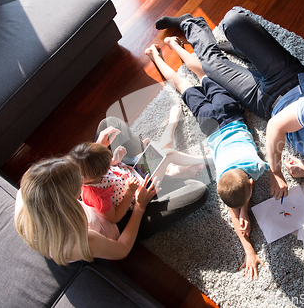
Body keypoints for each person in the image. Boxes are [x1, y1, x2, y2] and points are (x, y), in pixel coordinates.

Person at [155, 9, 304, 199]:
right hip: (287, 79)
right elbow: (276, 127)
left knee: (211, 67)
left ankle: (192, 25)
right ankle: (224, 38)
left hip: (266, 104)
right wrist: (276, 173)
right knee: (232, 21)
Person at [145, 37, 269, 281]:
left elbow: (242, 199)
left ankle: (167, 49)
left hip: (231, 115)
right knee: (186, 84)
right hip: (209, 124)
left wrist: (244, 223)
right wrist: (243, 214)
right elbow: (238, 210)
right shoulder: (223, 169)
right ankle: (159, 53)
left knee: (201, 76)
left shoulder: (255, 166)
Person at [73, 106, 211, 239]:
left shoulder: (87, 174)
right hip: (141, 190)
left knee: (158, 150)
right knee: (166, 153)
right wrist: (129, 192)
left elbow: (108, 168)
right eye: (106, 165)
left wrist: (115, 161)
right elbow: (115, 217)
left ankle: (173, 170)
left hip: (135, 172)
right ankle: (208, 159)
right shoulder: (98, 197)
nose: (109, 165)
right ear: (97, 174)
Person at [14, 156, 156, 266]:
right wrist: (139, 206)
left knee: (106, 124)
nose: (83, 179)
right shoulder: (79, 240)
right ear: (68, 201)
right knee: (173, 200)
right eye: (79, 182)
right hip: (119, 229)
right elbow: (122, 249)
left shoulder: (26, 195)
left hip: (100, 207)